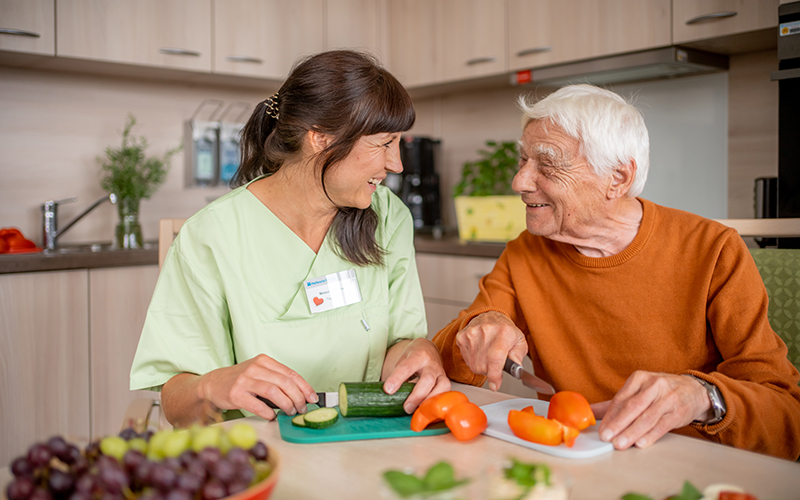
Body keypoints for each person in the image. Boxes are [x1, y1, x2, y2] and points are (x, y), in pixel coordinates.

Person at [432, 84, 800, 460]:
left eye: (548, 163)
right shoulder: (525, 252)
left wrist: (704, 398)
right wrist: (481, 326)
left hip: (690, 465)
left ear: (618, 178)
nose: (520, 182)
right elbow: (452, 366)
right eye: (523, 161)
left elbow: (787, 413)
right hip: (574, 462)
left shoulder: (713, 249)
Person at [130, 50, 450, 427]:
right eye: (384, 144)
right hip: (255, 456)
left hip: (364, 441)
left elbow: (399, 345)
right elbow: (176, 403)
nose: (397, 164)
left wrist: (420, 354)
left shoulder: (387, 216)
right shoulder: (211, 236)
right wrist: (212, 386)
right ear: (320, 138)